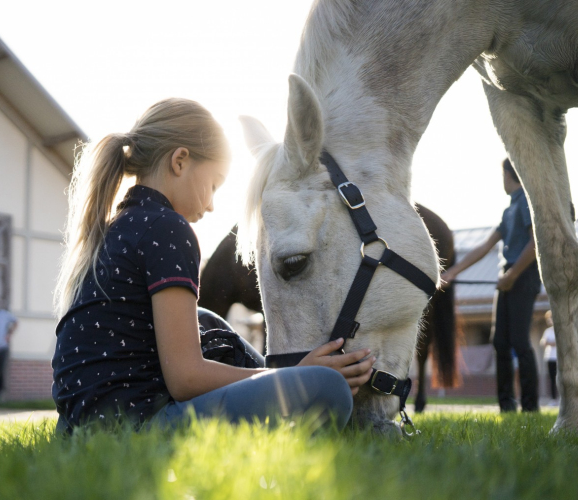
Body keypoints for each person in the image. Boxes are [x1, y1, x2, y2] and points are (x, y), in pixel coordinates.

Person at [51, 98, 375, 432]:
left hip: (77, 428)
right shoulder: (167, 228)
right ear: (180, 161)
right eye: (213, 185)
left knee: (206, 320)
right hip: (140, 427)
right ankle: (298, 392)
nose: (210, 205)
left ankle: (290, 381)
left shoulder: (113, 228)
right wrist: (294, 377)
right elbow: (185, 378)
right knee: (329, 387)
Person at [441, 158, 541, 412]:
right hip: (506, 277)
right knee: (500, 342)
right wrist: (451, 272)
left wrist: (513, 275)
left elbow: (535, 244)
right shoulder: (509, 211)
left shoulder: (527, 204)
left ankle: (531, 407)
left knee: (520, 341)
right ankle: (506, 404)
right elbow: (485, 247)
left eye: (503, 174)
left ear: (509, 174)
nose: (502, 180)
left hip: (522, 277)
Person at [540, 310, 558, 403]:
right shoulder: (547, 331)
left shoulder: (559, 330)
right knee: (552, 378)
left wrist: (550, 343)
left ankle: (561, 398)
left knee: (560, 378)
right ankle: (553, 398)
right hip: (549, 357)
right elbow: (543, 342)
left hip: (558, 358)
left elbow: (557, 343)